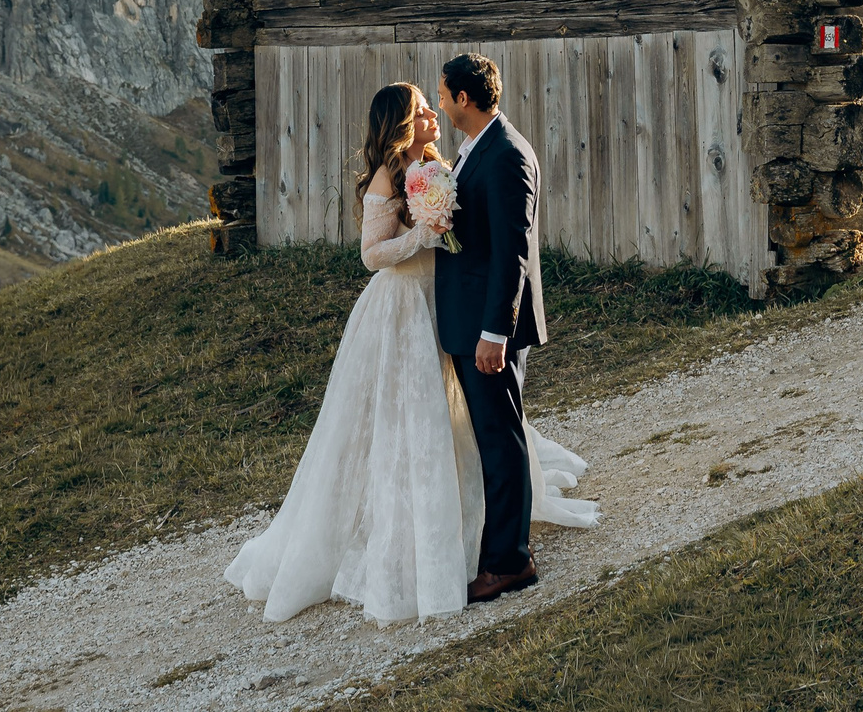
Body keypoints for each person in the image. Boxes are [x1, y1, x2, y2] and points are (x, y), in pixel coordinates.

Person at [221, 79, 592, 626]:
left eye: (433, 104)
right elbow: (372, 255)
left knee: (455, 420)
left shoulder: (438, 164)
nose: (433, 115)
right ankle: (406, 540)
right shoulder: (385, 177)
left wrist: (445, 231)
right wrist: (422, 236)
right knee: (406, 423)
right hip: (401, 308)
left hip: (441, 304)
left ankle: (476, 529)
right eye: (422, 110)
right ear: (401, 122)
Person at [433, 51, 564, 604]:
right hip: (471, 321)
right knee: (495, 437)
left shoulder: (507, 154)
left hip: (488, 330)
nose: (439, 104)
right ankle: (503, 550)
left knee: (501, 440)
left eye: (443, 95)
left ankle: (510, 561)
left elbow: (513, 252)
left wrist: (495, 333)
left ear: (463, 98)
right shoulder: (475, 149)